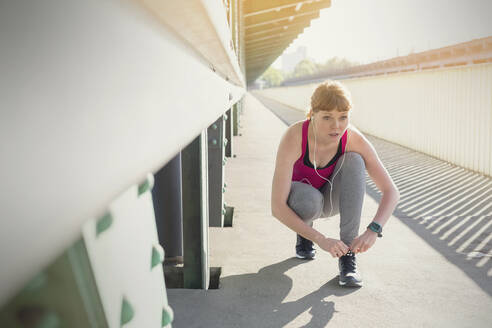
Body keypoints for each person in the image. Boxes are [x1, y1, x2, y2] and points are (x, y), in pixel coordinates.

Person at [271, 80, 400, 287]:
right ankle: (305, 232)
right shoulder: (295, 137)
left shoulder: (352, 138)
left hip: (331, 199)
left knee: (355, 159)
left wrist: (373, 230)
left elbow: (391, 191)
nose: (336, 126)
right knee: (308, 200)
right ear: (312, 114)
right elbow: (277, 207)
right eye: (327, 117)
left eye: (343, 117)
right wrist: (320, 239)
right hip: (301, 202)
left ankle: (347, 256)